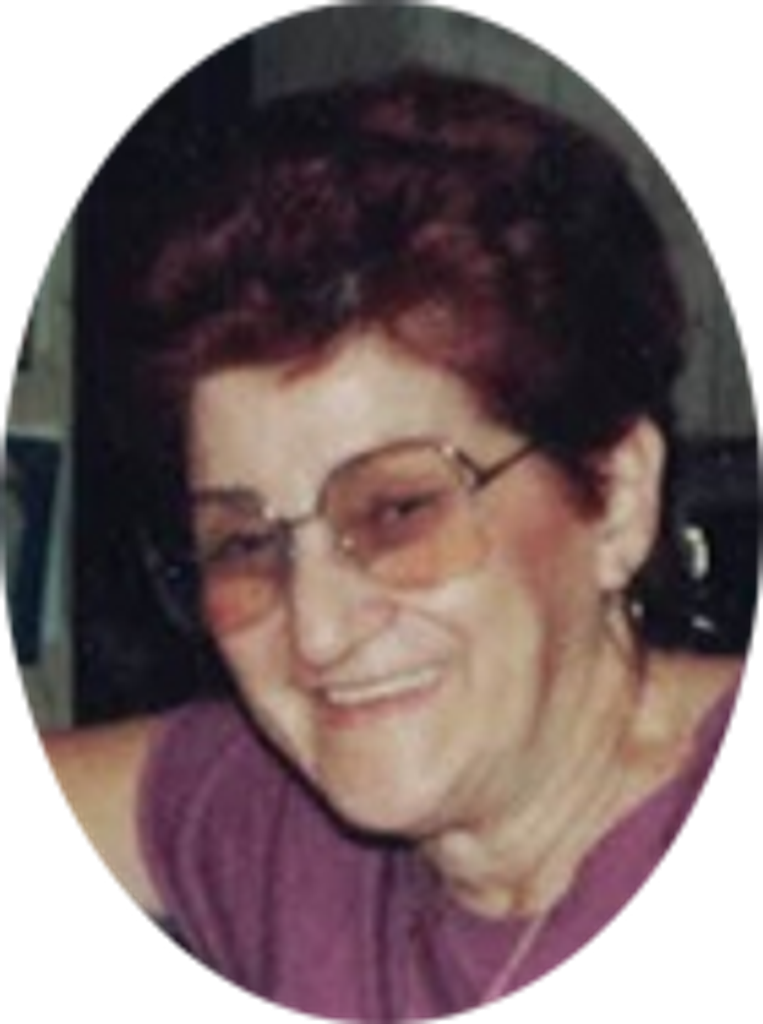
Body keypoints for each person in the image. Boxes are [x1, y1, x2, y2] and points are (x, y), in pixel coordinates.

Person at [39, 68, 747, 1021]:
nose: (318, 632)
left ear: (616, 501)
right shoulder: (274, 821)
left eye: (398, 512)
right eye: (243, 544)